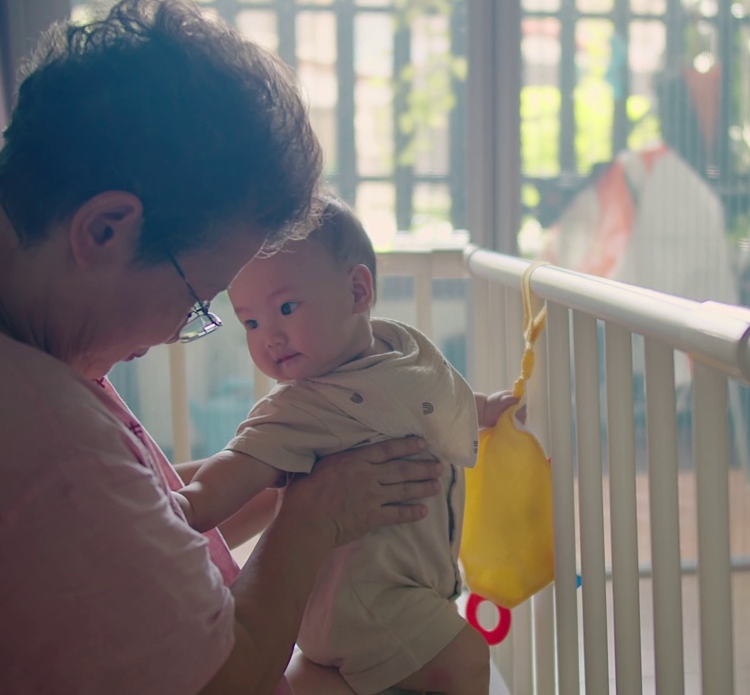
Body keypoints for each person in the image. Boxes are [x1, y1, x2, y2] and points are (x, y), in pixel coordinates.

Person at [0, 0, 445, 694]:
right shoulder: (44, 454)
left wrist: (269, 477)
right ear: (106, 230)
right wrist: (314, 520)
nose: (177, 333)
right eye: (197, 297)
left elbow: (115, 515)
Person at [174, 195, 515, 695]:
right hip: (363, 604)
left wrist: (487, 411)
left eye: (286, 308)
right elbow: (240, 463)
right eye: (250, 323)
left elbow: (442, 395)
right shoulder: (301, 407)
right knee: (463, 656)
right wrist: (191, 504)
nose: (268, 337)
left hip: (395, 589)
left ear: (358, 292)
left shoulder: (402, 352)